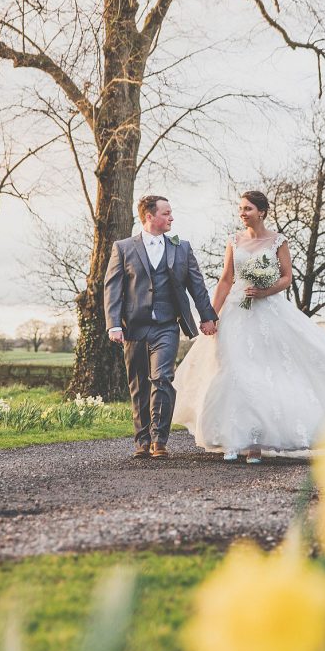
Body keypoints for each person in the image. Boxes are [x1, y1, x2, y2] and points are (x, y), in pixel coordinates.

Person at [173, 191, 325, 463]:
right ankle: (232, 439)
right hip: (236, 313)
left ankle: (255, 443)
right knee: (232, 371)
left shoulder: (278, 241)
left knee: (261, 374)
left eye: (248, 208)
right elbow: (225, 280)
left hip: (268, 313)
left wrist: (265, 290)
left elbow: (286, 277)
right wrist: (211, 315)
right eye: (240, 208)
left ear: (262, 211)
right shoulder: (234, 241)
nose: (243, 213)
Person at [104, 195, 218, 459]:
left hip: (167, 325)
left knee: (163, 378)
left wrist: (207, 316)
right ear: (149, 216)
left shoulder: (182, 247)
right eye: (166, 213)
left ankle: (159, 440)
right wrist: (113, 325)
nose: (171, 218)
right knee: (138, 384)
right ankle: (142, 440)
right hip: (133, 326)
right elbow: (113, 289)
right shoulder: (123, 248)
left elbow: (197, 285)